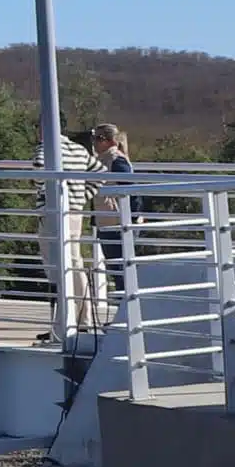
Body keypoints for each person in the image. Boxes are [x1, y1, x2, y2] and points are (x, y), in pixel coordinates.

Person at [87, 123, 137, 323]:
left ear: (110, 141)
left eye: (99, 139)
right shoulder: (104, 160)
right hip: (108, 223)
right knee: (116, 271)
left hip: (117, 225)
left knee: (120, 272)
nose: (95, 143)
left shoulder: (116, 161)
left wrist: (131, 220)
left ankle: (126, 316)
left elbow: (132, 192)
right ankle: (123, 315)